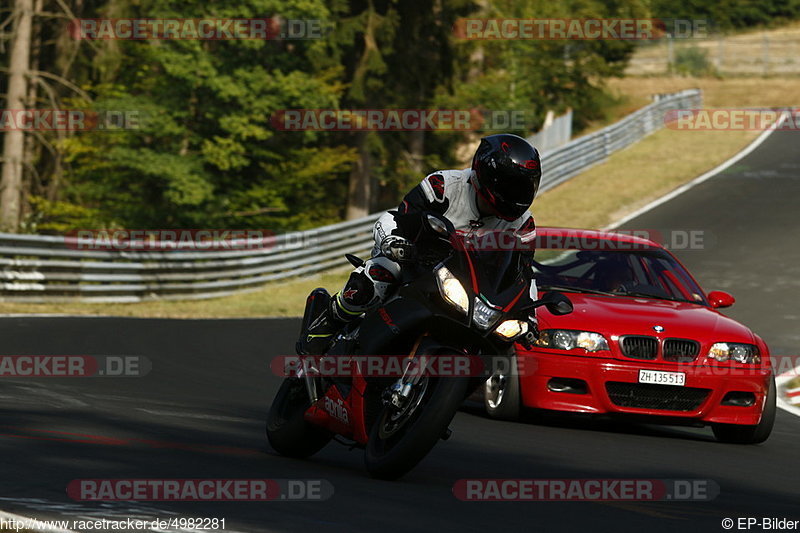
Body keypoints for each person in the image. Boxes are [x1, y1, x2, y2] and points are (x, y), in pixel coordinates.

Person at [299, 133, 542, 355]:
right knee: (379, 276)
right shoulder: (444, 185)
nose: (517, 194)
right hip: (414, 264)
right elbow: (396, 217)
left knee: (499, 343)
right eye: (511, 186)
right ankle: (326, 323)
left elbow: (524, 273)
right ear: (489, 176)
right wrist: (394, 243)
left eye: (524, 187)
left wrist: (530, 316)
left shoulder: (523, 224)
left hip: (469, 289)